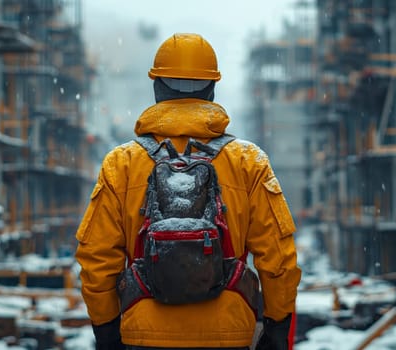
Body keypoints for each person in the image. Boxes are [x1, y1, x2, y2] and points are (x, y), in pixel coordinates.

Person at [75, 32, 302, 350]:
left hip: (143, 334)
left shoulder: (122, 163)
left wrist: (107, 331)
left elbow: (96, 260)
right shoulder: (248, 161)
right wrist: (277, 330)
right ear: (211, 88)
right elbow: (278, 260)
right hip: (228, 333)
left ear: (157, 87)